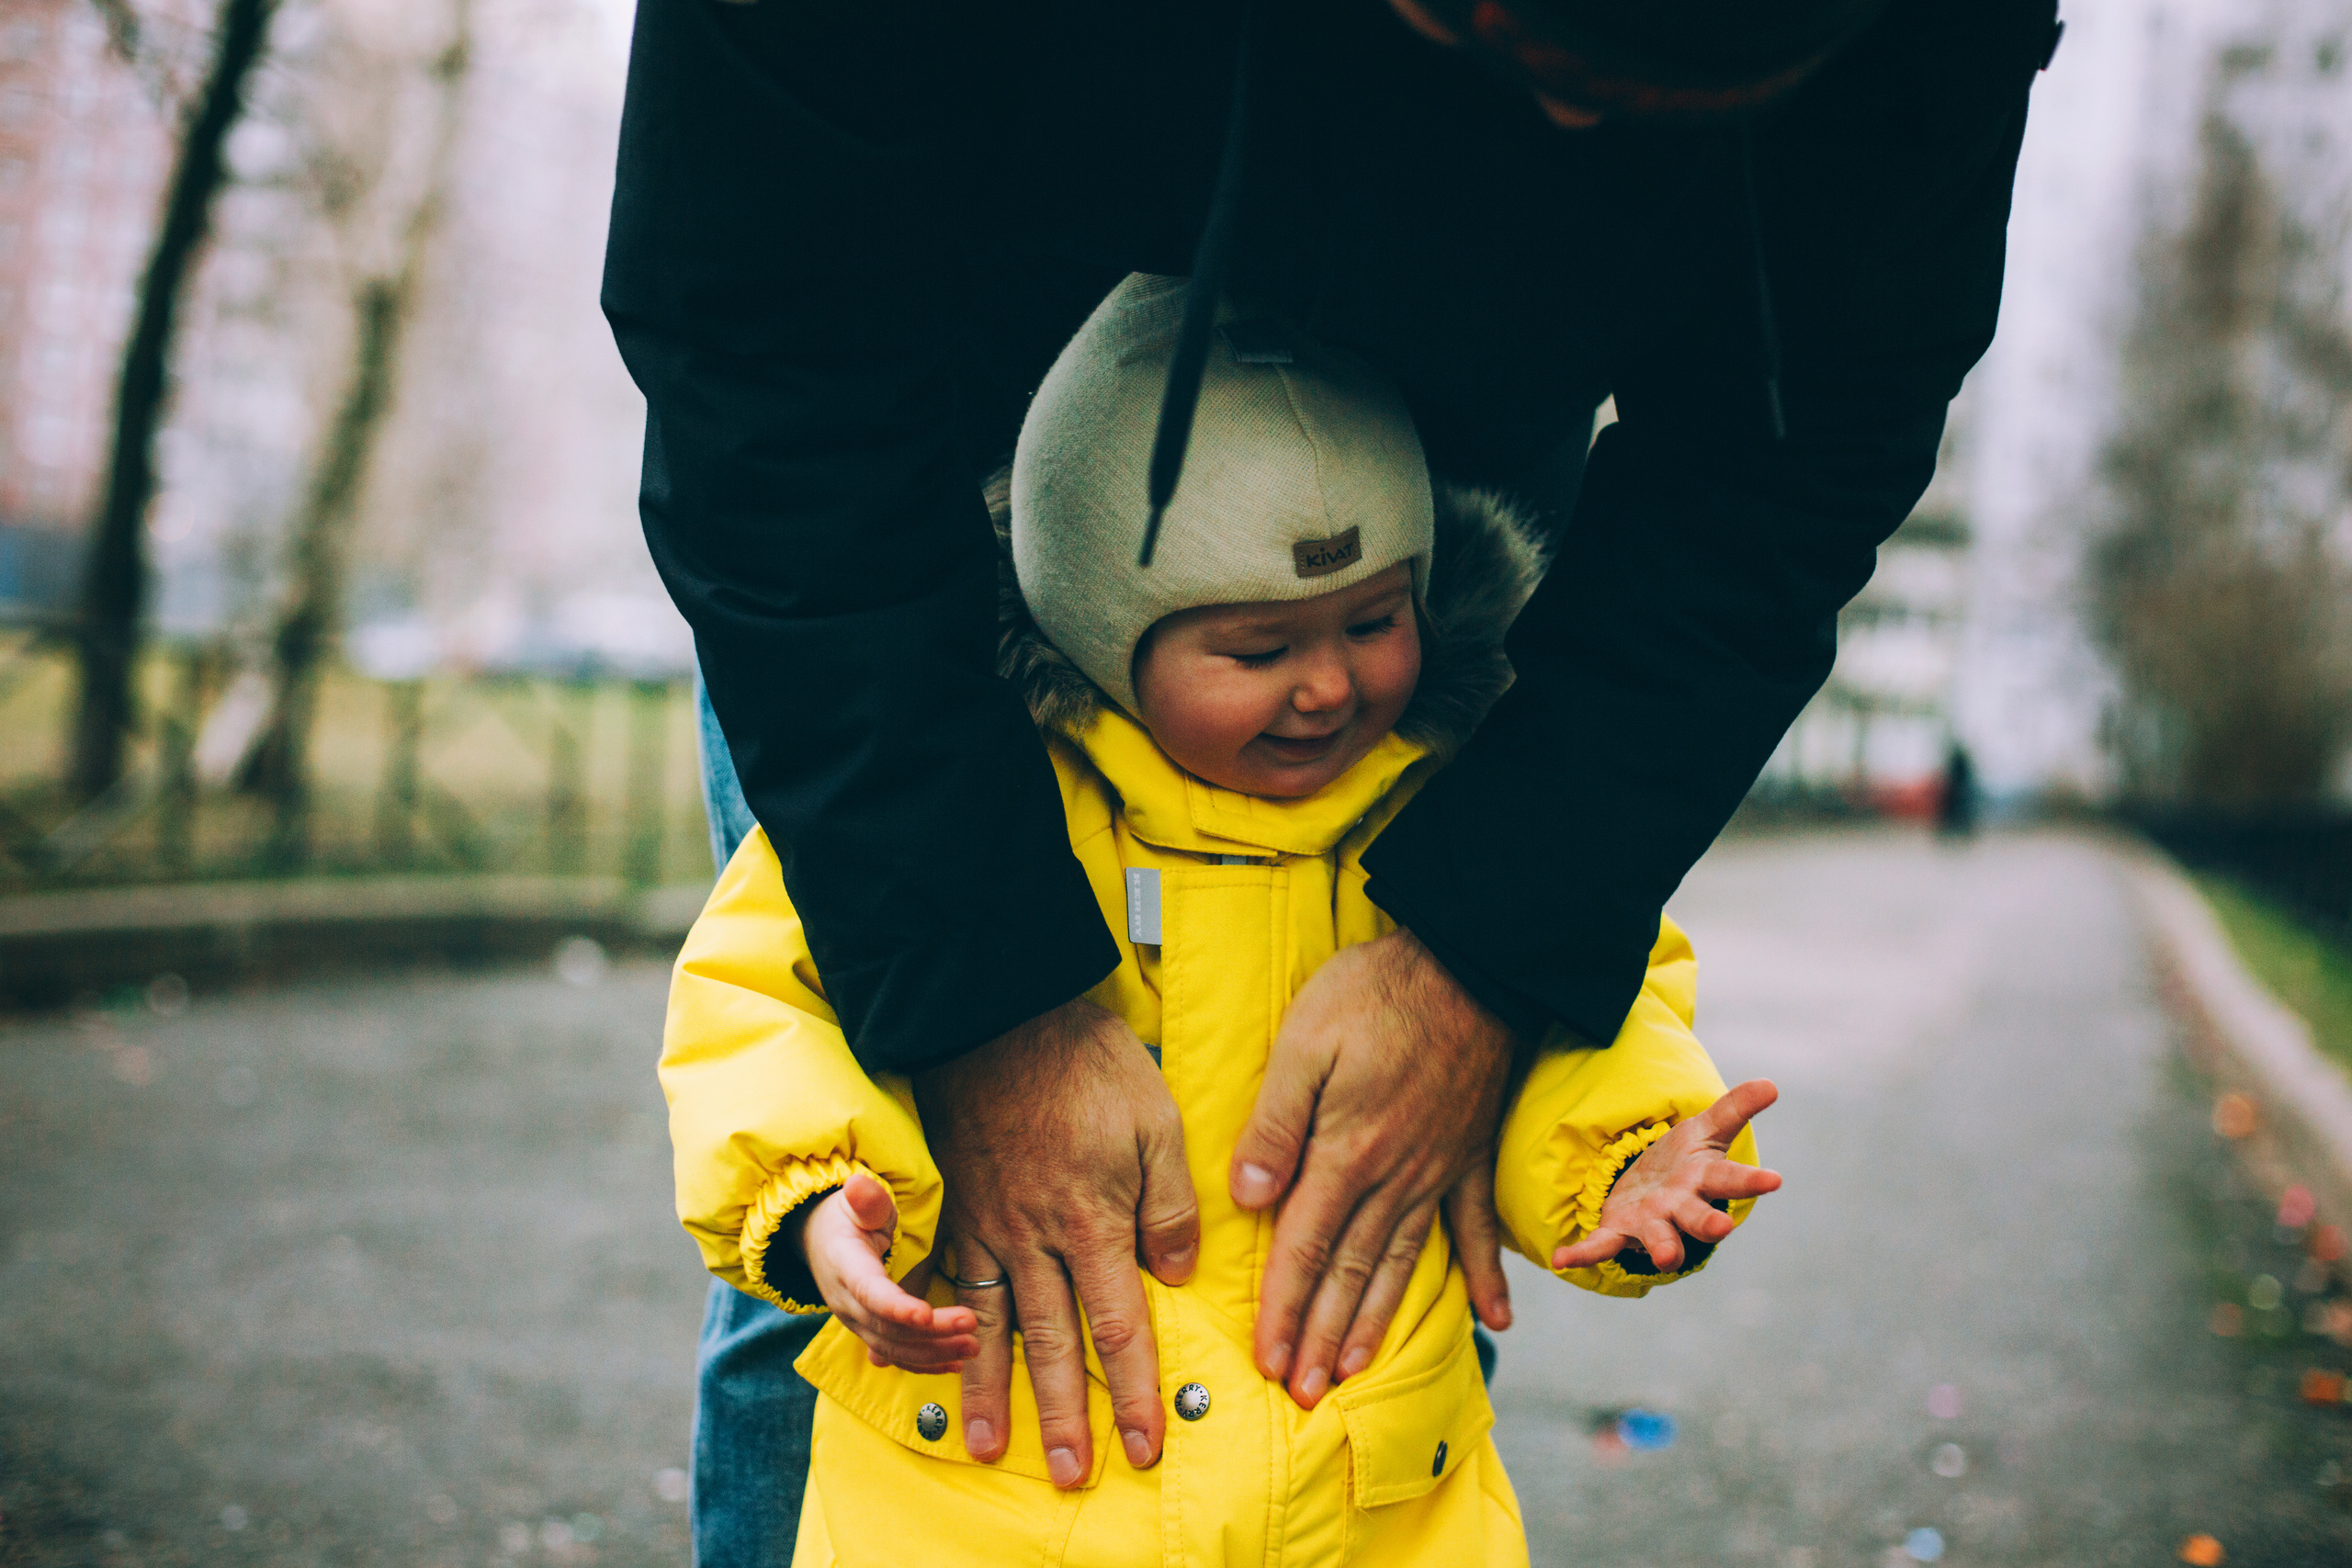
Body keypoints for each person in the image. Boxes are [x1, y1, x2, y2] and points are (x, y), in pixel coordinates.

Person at [602, 0, 2061, 1557]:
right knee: (845, 1303)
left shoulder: (1415, 769)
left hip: (1439, 477)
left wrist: (1526, 1013)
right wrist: (927, 1055)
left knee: (1402, 1205)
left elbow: (1804, 445)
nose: (1575, 132)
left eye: (1683, 87)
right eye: (1546, 54)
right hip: (902, 520)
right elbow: (768, 1025)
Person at [662, 275, 1781, 1564]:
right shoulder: (958, 817)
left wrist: (1626, 1161)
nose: (1329, 685)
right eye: (1258, 650)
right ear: (1101, 632)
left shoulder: (1462, 820)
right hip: (1006, 1504)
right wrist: (816, 1201)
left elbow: (1574, 1014)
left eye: (1375, 621)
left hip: (1359, 1507)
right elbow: (765, 1002)